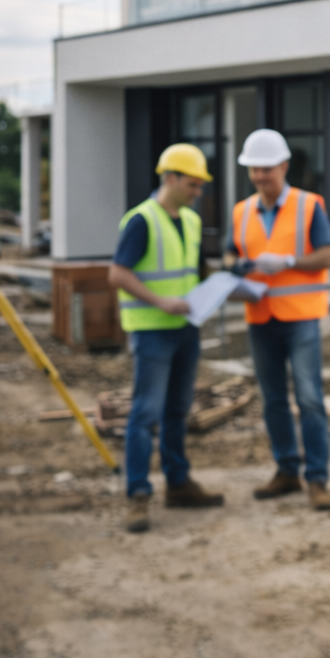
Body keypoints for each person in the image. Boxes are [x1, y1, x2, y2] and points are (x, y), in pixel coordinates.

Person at [108, 143, 226, 534]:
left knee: (177, 411)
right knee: (146, 413)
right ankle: (138, 495)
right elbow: (118, 274)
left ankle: (178, 484)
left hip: (186, 329)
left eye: (200, 185)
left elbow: (195, 271)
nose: (198, 192)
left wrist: (225, 280)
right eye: (193, 184)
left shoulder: (190, 221)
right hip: (153, 330)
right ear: (170, 178)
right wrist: (161, 302)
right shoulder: (141, 220)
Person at [224, 128, 330, 511]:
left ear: (284, 167)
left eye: (266, 169)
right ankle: (287, 471)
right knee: (273, 400)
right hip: (260, 316)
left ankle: (317, 479)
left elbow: (328, 255)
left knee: (309, 399)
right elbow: (229, 253)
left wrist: (289, 261)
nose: (259, 176)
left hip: (301, 318)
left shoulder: (309, 206)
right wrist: (236, 265)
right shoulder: (241, 211)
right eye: (254, 170)